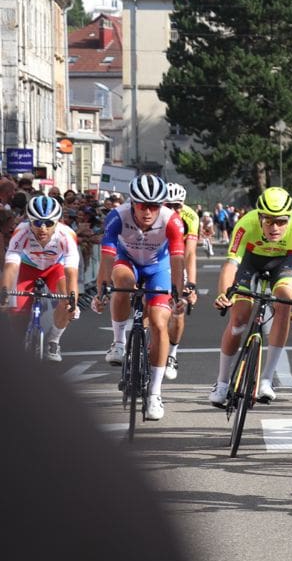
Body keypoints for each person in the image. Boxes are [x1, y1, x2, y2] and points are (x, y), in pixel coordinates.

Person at [91, 175, 186, 422]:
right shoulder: (117, 216)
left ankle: (154, 393)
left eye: (154, 206)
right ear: (132, 203)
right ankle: (118, 342)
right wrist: (102, 291)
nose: (148, 211)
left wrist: (177, 293)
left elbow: (177, 260)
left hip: (159, 268)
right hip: (127, 262)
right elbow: (107, 257)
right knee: (122, 284)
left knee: (158, 322)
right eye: (143, 205)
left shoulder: (172, 221)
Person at [208, 187, 292, 407]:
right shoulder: (246, 224)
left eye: (281, 222)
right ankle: (222, 382)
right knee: (238, 319)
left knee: (285, 302)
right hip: (250, 261)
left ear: (289, 218)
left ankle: (266, 379)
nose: (275, 228)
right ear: (259, 218)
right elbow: (230, 265)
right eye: (269, 221)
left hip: (284, 263)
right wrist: (224, 294)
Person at [1, 195, 79, 360]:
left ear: (57, 222)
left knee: (67, 302)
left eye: (48, 223)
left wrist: (73, 300)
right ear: (29, 221)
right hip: (27, 268)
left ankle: (54, 341)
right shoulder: (21, 231)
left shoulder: (67, 235)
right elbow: (11, 264)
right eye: (37, 223)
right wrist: (5, 291)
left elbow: (71, 271)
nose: (43, 228)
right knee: (15, 310)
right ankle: (18, 344)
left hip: (55, 268)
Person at [163, 183, 199, 381]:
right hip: (154, 258)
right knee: (146, 302)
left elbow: (190, 253)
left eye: (177, 206)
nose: (172, 210)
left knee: (178, 308)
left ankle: (172, 354)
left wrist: (190, 284)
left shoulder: (190, 216)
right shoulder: (153, 214)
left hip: (178, 258)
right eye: (168, 205)